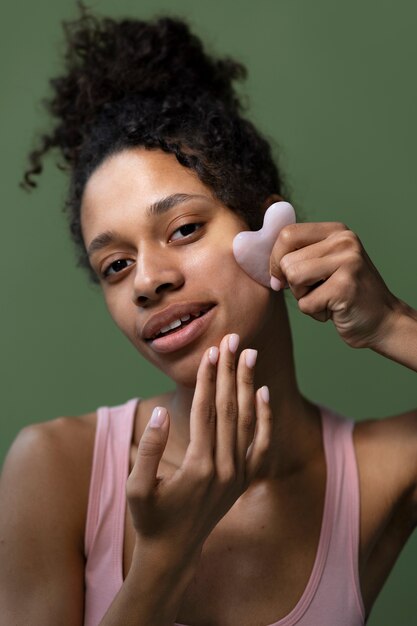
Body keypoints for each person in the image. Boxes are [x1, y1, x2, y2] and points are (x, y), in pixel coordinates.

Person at [1, 5, 417, 626]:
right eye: (115, 266)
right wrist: (163, 561)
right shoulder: (56, 469)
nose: (147, 280)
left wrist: (392, 324)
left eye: (184, 228)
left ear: (272, 230)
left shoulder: (375, 475)